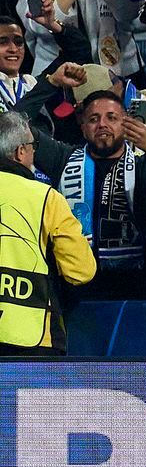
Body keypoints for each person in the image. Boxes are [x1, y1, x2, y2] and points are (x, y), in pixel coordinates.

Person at [40, 89, 146, 300]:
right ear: (83, 128)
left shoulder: (144, 164)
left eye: (112, 117)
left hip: (137, 287)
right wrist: (50, 82)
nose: (102, 125)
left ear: (125, 124)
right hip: (75, 289)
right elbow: (11, 126)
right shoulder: (63, 158)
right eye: (93, 119)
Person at [0, 111, 94, 354]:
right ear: (21, 151)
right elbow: (80, 271)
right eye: (33, 146)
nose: (34, 152)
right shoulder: (46, 197)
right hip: (32, 336)